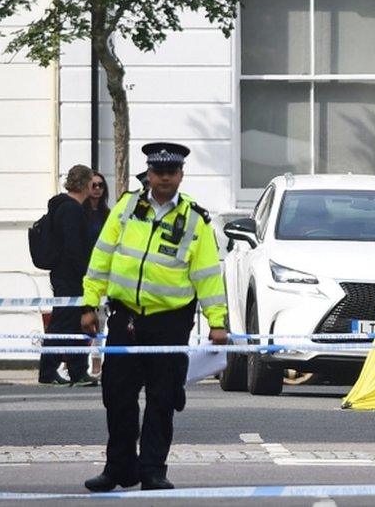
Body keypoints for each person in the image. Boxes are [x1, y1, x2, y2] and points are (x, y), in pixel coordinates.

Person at [80, 142, 228, 492]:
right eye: (157, 171)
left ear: (180, 175)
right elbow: (102, 256)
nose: (163, 178)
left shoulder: (196, 219)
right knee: (116, 395)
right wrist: (90, 305)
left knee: (163, 398)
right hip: (125, 318)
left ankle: (152, 470)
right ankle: (119, 468)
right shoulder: (127, 207)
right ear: (148, 174)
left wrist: (217, 323)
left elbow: (207, 275)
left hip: (169, 321)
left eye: (170, 172)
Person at [38, 165, 97, 386]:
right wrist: (85, 272)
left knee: (74, 323)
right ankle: (48, 370)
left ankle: (78, 370)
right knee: (63, 322)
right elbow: (74, 247)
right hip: (71, 275)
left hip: (65, 273)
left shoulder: (62, 207)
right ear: (86, 183)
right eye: (92, 182)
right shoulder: (71, 210)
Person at [83, 171, 111, 377]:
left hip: (102, 272)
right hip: (82, 270)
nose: (97, 189)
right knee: (79, 318)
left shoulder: (108, 215)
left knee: (100, 321)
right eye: (93, 185)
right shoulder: (78, 213)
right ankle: (72, 362)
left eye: (100, 185)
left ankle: (96, 362)